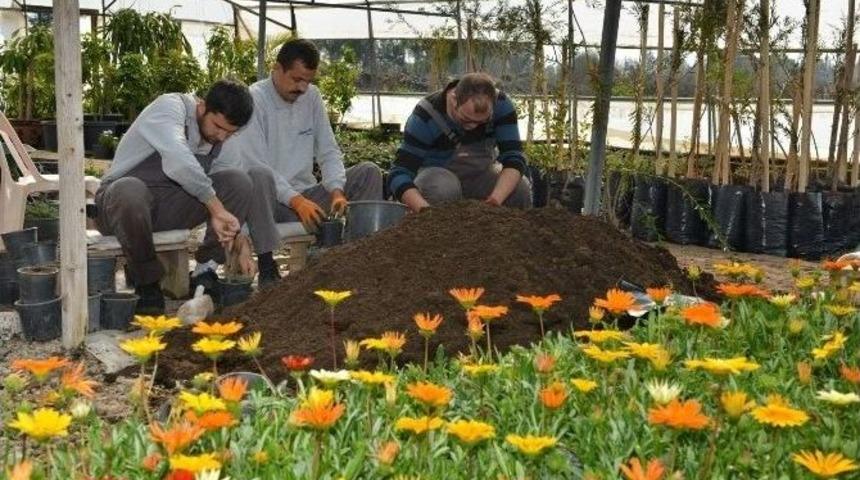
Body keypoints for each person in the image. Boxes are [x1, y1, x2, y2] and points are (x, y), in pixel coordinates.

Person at [95, 79, 277, 314]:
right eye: (217, 127)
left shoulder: (221, 138)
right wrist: (214, 206)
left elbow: (231, 196)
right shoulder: (170, 108)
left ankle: (204, 271)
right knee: (129, 190)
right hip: (119, 208)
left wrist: (241, 239)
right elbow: (178, 160)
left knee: (238, 182)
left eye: (229, 133)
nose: (221, 137)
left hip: (170, 206)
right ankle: (147, 283)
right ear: (202, 107)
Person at [224, 38, 383, 282]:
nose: (301, 88)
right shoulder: (254, 100)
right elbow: (255, 164)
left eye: (307, 81)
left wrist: (337, 190)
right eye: (296, 79)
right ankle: (268, 268)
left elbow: (328, 150)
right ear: (277, 69)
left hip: (308, 198)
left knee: (369, 172)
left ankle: (357, 259)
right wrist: (296, 201)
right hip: (268, 204)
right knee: (259, 176)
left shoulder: (311, 97)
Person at [388, 72, 532, 212]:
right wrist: (426, 213)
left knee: (519, 188)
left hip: (481, 174)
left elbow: (514, 157)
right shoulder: (426, 115)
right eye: (465, 119)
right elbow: (399, 172)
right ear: (453, 98)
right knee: (443, 187)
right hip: (435, 176)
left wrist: (495, 201)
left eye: (482, 122)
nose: (473, 127)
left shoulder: (502, 104)